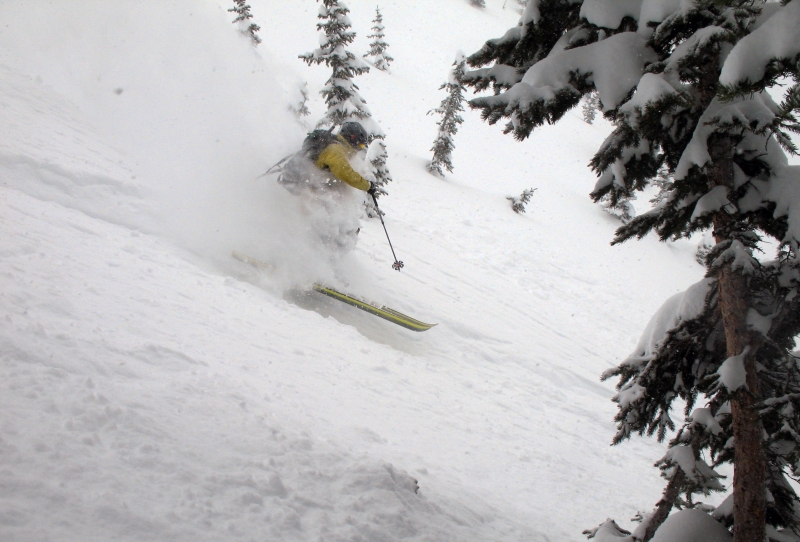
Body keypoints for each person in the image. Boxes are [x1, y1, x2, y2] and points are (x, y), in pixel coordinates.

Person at [277, 122, 377, 254]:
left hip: (303, 183)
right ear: (351, 138)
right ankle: (297, 253)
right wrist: (367, 185)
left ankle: (310, 253)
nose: (359, 149)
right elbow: (343, 171)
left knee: (319, 219)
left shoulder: (334, 146)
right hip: (303, 184)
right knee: (318, 222)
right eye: (360, 145)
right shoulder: (336, 148)